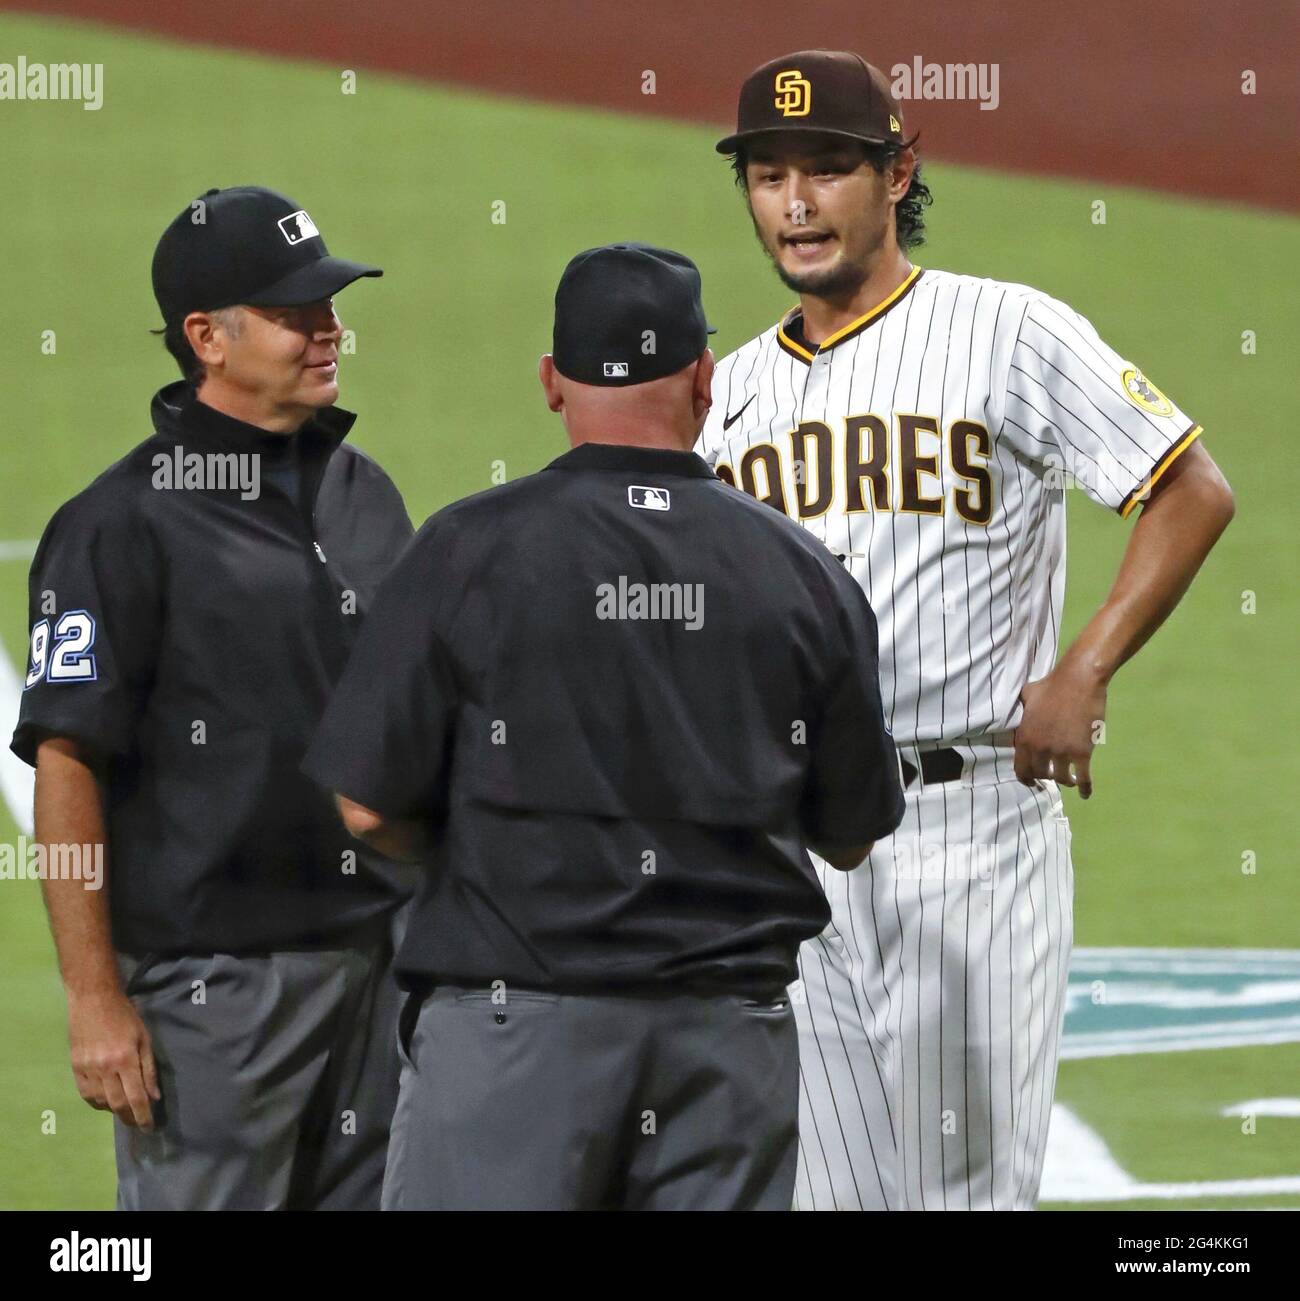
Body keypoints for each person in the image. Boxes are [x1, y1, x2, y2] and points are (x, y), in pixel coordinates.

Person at [699, 49, 1235, 1210]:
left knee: (961, 1199)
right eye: (769, 173)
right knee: (829, 1198)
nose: (795, 202)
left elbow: (1190, 486)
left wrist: (1083, 665)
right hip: (795, 852)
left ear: (898, 172)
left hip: (969, 832)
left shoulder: (1007, 330)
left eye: (829, 168)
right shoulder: (727, 394)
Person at [303, 242, 906, 1211]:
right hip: (727, 1047)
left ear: (551, 381)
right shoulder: (804, 572)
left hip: (516, 1034)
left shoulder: (467, 547)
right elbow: (850, 829)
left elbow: (368, 809)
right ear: (704, 379)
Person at [11, 186, 414, 1210]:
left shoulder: (365, 492)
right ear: (208, 338)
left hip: (383, 962)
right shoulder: (119, 524)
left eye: (330, 303)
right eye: (295, 312)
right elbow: (67, 765)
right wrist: (96, 998)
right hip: (213, 990)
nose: (329, 329)